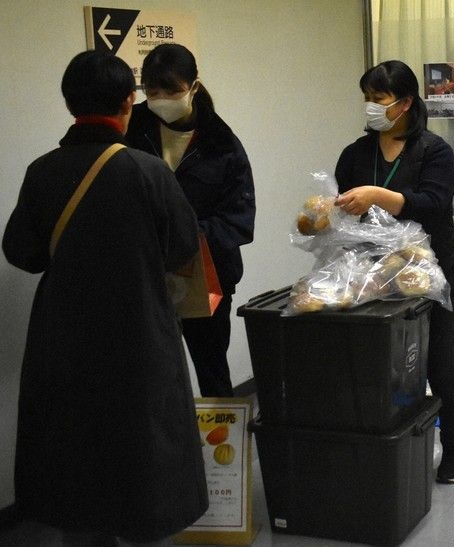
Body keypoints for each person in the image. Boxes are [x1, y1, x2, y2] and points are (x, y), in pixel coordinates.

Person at [3, 50, 207, 545]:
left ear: (70, 104)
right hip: (141, 336)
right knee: (145, 451)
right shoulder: (148, 172)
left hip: (64, 339)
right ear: (127, 103)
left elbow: (22, 252)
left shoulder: (42, 171)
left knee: (76, 454)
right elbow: (184, 247)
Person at [334, 60, 454, 483]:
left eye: (380, 98)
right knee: (382, 366)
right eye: (366, 98)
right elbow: (344, 210)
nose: (371, 106)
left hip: (433, 272)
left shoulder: (433, 151)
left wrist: (379, 195)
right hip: (374, 272)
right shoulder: (355, 154)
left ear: (406, 103)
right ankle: (389, 448)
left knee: (439, 365)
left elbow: (433, 204)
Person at [126, 43, 256, 397]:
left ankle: (221, 434)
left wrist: (184, 236)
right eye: (153, 91)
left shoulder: (222, 143)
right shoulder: (132, 128)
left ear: (193, 87)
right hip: (144, 274)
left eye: (172, 91)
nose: (161, 100)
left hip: (207, 278)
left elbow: (238, 221)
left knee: (212, 371)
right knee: (149, 375)